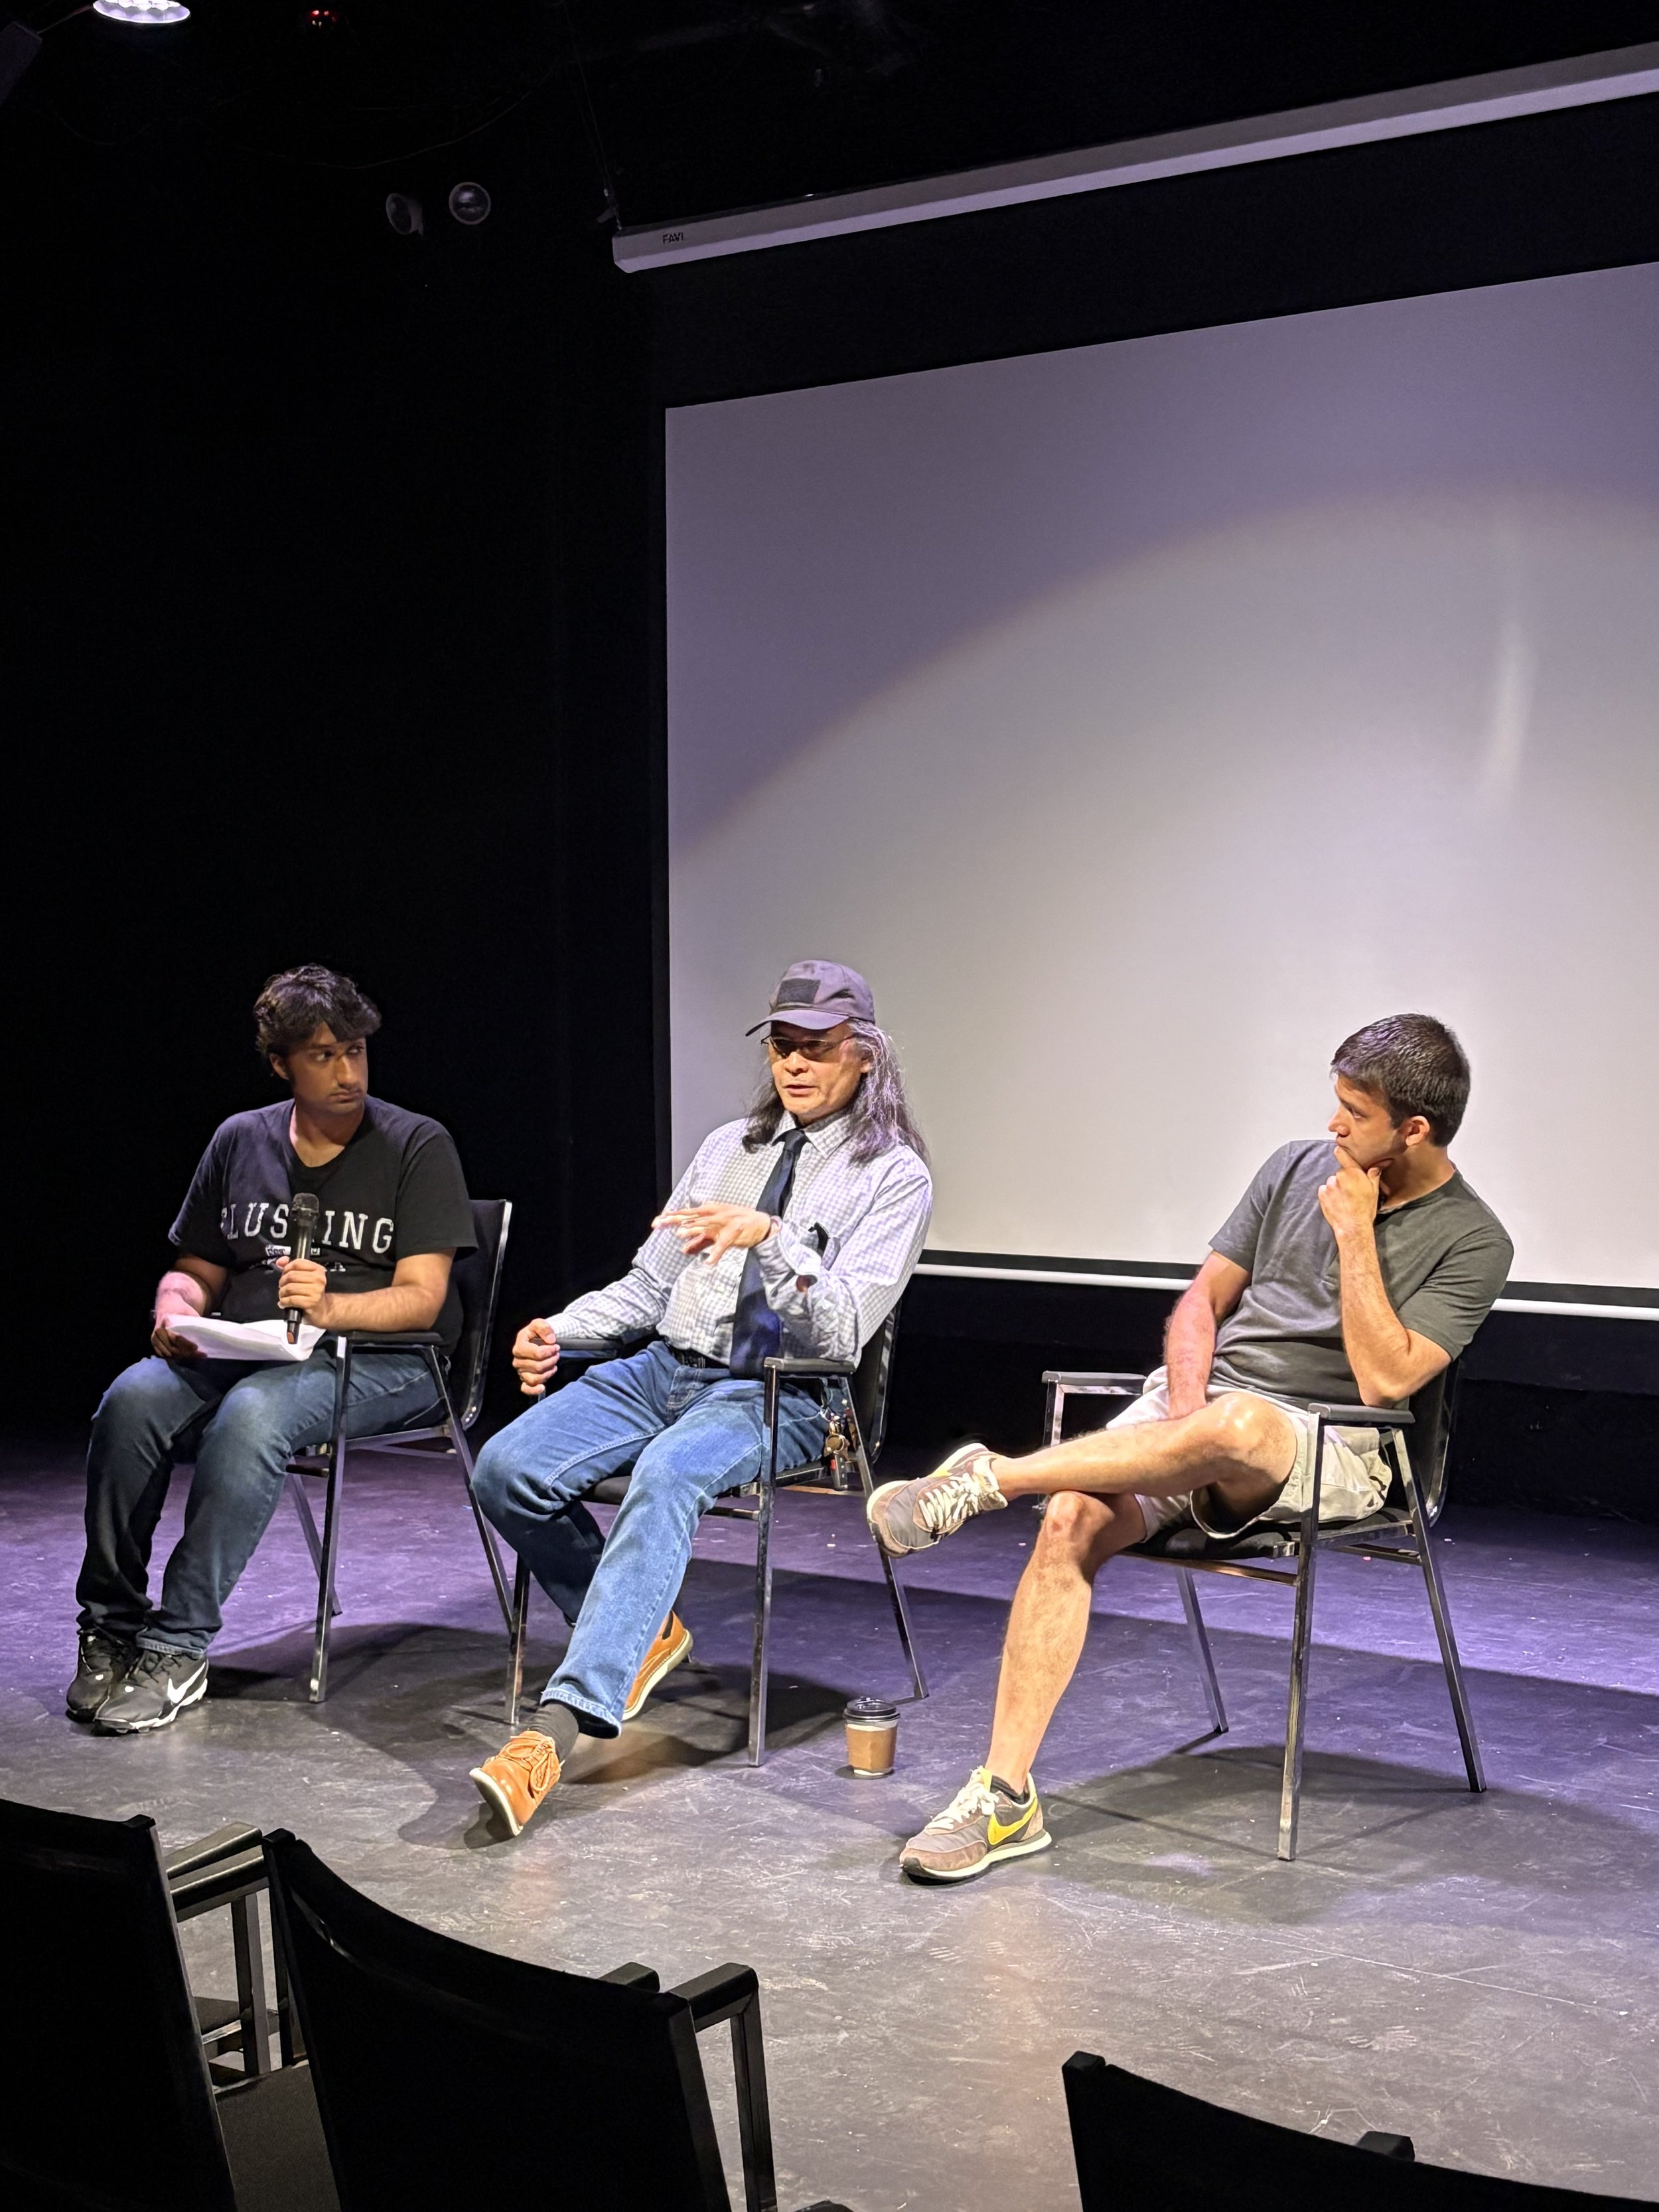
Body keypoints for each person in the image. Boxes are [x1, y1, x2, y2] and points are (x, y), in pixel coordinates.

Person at [867, 1013, 1512, 1883]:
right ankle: (1005, 1797)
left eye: (1354, 1114)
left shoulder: (1475, 1239)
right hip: (1202, 1415)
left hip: (1341, 1447)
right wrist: (1181, 1403)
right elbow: (1201, 1303)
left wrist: (1357, 1233)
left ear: (1414, 1130)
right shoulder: (1293, 1167)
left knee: (1238, 1426)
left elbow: (1383, 1380)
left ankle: (989, 1480)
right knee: (1072, 1518)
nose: (1333, 1128)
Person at [468, 960, 932, 1836]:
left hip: (783, 1390)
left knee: (669, 1470)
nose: (796, 1065)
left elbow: (839, 1337)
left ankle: (560, 1729)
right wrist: (558, 1331)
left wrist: (775, 1240)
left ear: (864, 1055)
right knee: (506, 1467)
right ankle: (638, 1633)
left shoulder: (892, 1176)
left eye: (819, 1049)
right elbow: (647, 1291)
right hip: (667, 1368)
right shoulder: (729, 1148)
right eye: (785, 1047)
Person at [71, 966, 474, 1734]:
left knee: (254, 1417)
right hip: (249, 1348)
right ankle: (110, 1626)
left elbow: (424, 1297)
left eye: (356, 1051)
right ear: (281, 1063)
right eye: (324, 1056)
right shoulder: (239, 1139)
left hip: (388, 1362)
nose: (348, 1072)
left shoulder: (417, 1144)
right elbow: (196, 1270)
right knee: (131, 1398)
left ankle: (178, 1644)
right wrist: (176, 1308)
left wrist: (328, 1306)